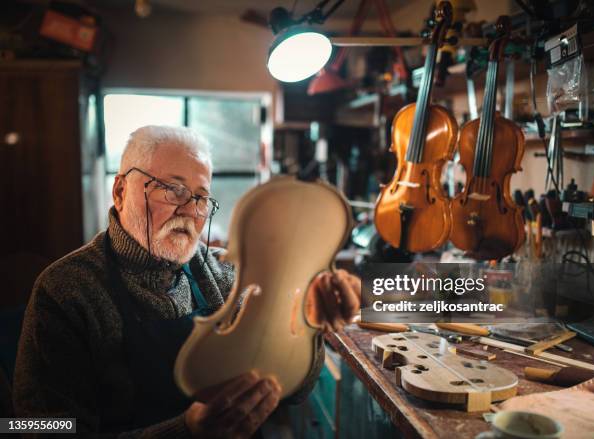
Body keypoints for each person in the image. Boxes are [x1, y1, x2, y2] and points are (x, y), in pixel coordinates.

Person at [13, 126, 361, 438]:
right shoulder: (64, 290)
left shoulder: (222, 275)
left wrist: (308, 325)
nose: (191, 211)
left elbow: (293, 390)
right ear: (120, 191)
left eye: (200, 197)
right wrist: (186, 432)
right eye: (173, 190)